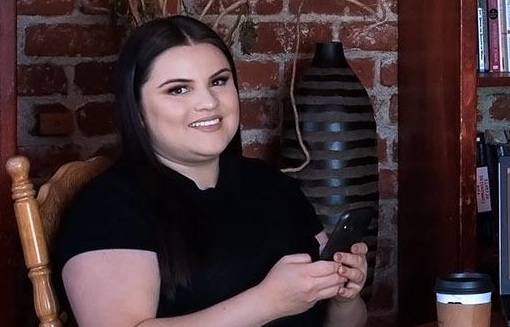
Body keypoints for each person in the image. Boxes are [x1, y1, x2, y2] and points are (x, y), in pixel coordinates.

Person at [53, 16, 369, 327]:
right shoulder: (108, 209)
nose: (208, 102)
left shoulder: (272, 186)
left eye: (218, 81)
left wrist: (344, 296)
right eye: (178, 90)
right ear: (136, 110)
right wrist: (268, 302)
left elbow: (345, 323)